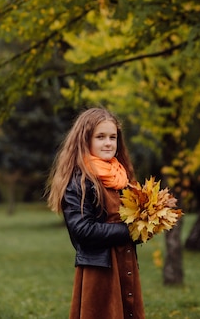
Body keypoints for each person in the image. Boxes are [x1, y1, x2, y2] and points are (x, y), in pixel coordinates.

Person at [47, 107, 145, 319]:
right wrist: (131, 231)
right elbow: (83, 230)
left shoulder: (122, 178)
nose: (108, 143)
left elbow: (130, 222)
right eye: (100, 137)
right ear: (85, 140)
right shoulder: (79, 181)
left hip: (125, 265)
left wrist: (148, 224)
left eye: (113, 137)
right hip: (99, 270)